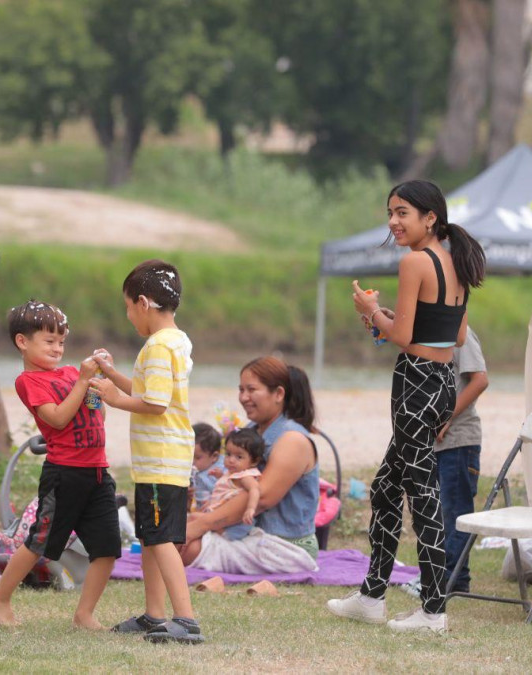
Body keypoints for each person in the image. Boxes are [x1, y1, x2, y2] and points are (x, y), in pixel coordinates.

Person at [327, 179, 485, 633]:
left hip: (414, 385)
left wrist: (370, 309)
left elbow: (400, 338)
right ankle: (373, 594)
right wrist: (387, 320)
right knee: (384, 488)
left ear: (429, 218)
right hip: (441, 383)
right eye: (391, 212)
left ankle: (434, 609)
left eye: (403, 214)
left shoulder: (415, 261)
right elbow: (451, 338)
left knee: (423, 495)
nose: (394, 222)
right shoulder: (456, 261)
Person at [0, 300, 119, 629]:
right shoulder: (28, 382)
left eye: (62, 342)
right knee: (39, 542)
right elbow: (57, 419)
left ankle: (84, 613)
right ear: (23, 342)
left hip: (97, 471)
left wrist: (97, 380)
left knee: (108, 547)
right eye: (49, 341)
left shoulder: (73, 373)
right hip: (65, 474)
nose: (58, 348)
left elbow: (97, 414)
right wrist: (82, 382)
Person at [90, 259, 204, 644]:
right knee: (151, 538)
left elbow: (154, 403)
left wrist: (112, 398)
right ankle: (155, 615)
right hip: (165, 458)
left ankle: (185, 619)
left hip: (159, 459)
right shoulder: (176, 340)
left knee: (160, 539)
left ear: (143, 302)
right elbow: (146, 389)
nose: (128, 316)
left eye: (127, 307)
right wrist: (111, 375)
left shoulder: (157, 347)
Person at [183, 357, 321, 573]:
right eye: (241, 390)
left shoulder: (292, 440)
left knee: (185, 546)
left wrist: (202, 525)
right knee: (171, 532)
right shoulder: (253, 430)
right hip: (248, 536)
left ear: (278, 394)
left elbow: (262, 498)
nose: (243, 397)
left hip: (283, 547)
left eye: (251, 390)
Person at [436, 325, 488, 594]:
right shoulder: (431, 328)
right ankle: (451, 578)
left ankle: (451, 579)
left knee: (455, 513)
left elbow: (480, 380)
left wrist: (447, 416)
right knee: (438, 514)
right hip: (437, 444)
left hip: (459, 441)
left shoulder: (460, 332)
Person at [180, 428, 263, 563]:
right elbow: (228, 490)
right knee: (193, 521)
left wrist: (251, 508)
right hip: (226, 525)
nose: (230, 460)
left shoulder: (245, 476)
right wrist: (220, 477)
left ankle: (178, 549)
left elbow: (255, 489)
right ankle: (177, 549)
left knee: (193, 518)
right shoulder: (233, 474)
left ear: (254, 461)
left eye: (239, 457)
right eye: (228, 454)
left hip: (232, 529)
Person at [191, 422, 224, 510]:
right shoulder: (193, 471)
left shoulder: (220, 470)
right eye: (188, 456)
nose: (191, 462)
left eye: (197, 457)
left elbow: (230, 490)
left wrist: (215, 500)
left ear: (214, 456)